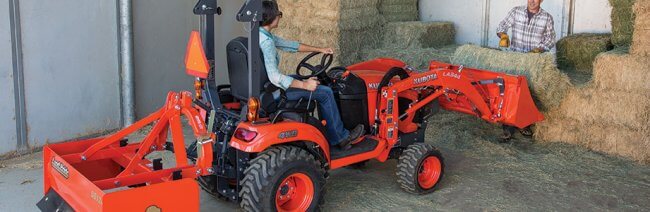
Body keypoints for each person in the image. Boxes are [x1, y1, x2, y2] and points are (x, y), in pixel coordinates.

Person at [258, 0, 364, 149]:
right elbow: (275, 77)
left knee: (304, 80)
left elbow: (291, 46)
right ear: (271, 17)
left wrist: (320, 49)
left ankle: (330, 129)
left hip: (267, 89)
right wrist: (305, 85)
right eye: (279, 14)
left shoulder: (260, 35)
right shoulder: (267, 43)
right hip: (275, 94)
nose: (280, 17)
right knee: (326, 93)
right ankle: (341, 138)